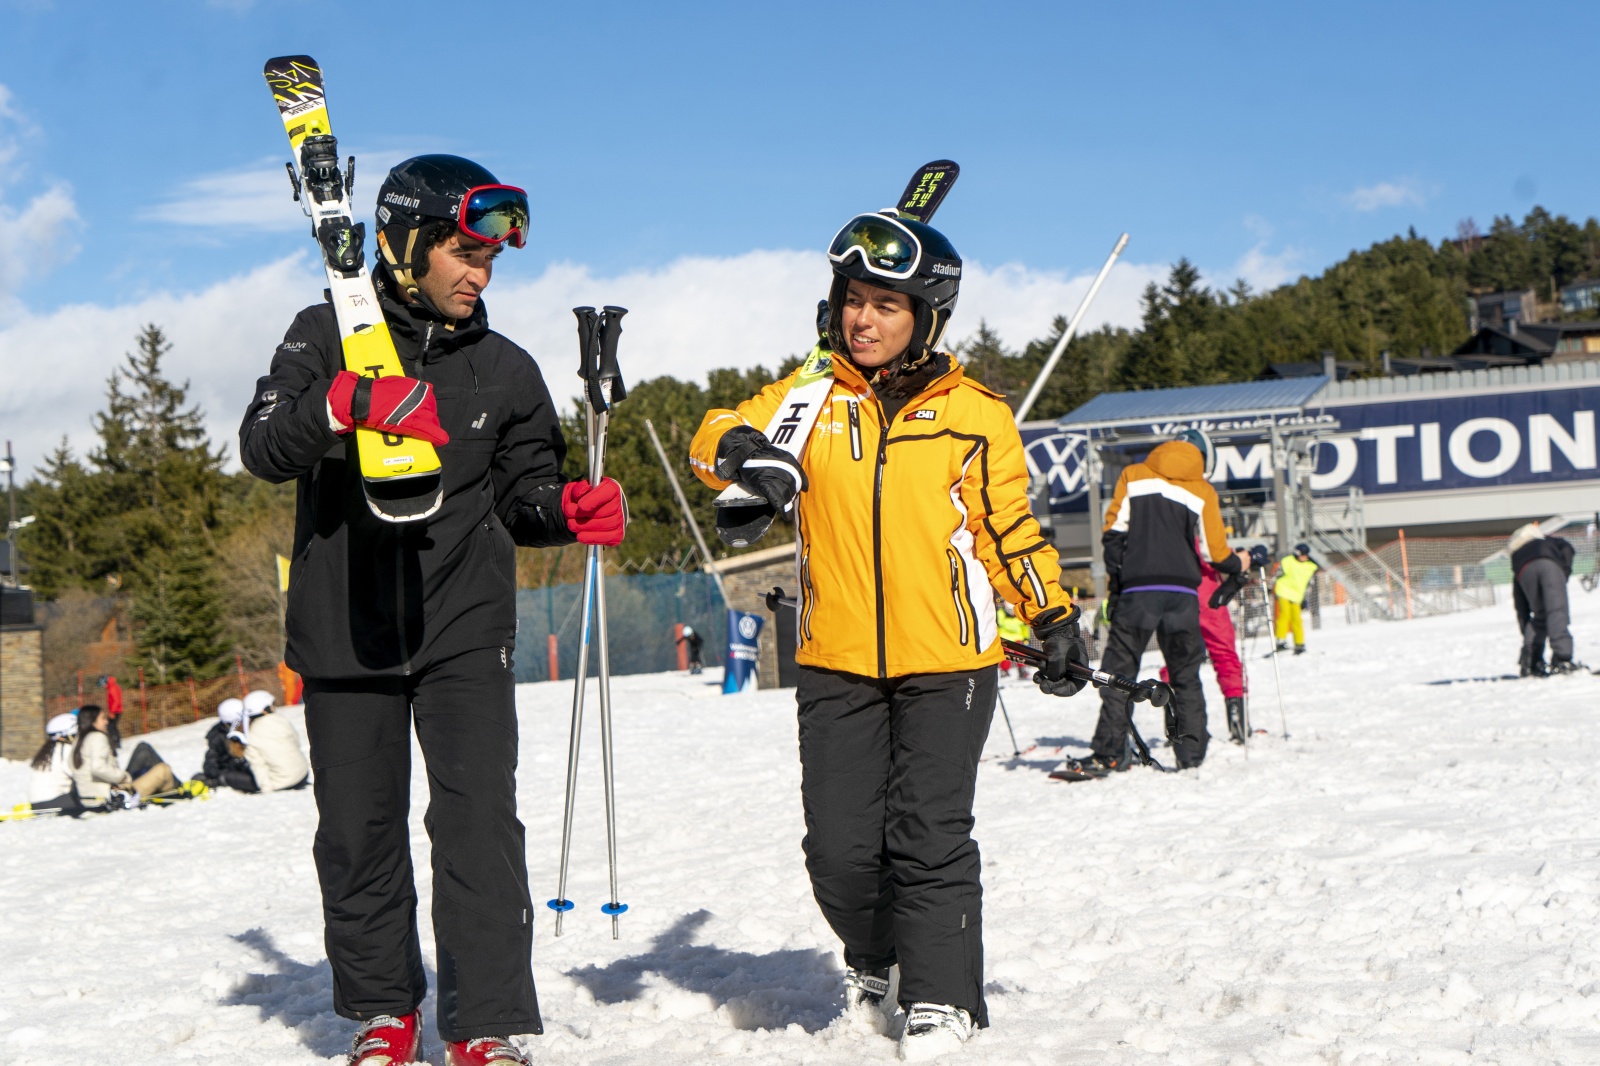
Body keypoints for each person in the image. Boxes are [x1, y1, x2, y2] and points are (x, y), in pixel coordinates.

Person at [238, 154, 626, 1066]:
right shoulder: (320, 334)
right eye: (461, 252)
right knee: (359, 830)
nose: (478, 275)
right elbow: (262, 444)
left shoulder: (507, 368)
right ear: (405, 243)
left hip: (462, 626)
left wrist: (564, 508)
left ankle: (482, 1023)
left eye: (489, 261)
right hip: (345, 627)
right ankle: (384, 1012)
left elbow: (523, 494)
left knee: (478, 825)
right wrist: (341, 402)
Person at [689, 201, 1086, 1061]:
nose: (862, 319)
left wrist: (1053, 615)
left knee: (928, 834)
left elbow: (1006, 529)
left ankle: (945, 996)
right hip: (833, 658)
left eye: (885, 305)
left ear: (925, 318)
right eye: (852, 300)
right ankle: (876, 959)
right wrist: (743, 451)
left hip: (950, 658)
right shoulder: (808, 398)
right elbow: (713, 427)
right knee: (837, 849)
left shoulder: (976, 414)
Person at [1066, 429, 1249, 778]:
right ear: (1203, 459)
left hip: (1138, 592)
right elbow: (1215, 553)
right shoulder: (1203, 489)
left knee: (1117, 675)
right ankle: (1190, 755)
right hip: (1183, 596)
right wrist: (1239, 564)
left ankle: (1110, 753)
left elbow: (1114, 533)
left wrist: (1122, 581)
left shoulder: (1133, 475)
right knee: (1186, 676)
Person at [1158, 555, 1248, 743]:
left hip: (1171, 587)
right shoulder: (1199, 524)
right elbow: (1214, 550)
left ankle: (1176, 724)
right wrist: (1239, 560)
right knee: (1224, 653)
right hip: (1205, 585)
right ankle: (1237, 723)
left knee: (1176, 658)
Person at [68, 704, 179, 808]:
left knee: (143, 748)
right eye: (103, 718)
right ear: (93, 721)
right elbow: (98, 768)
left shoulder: (78, 740)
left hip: (91, 797)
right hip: (111, 797)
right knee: (164, 769)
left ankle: (176, 787)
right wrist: (122, 777)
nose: (107, 722)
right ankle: (180, 791)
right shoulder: (97, 737)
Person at [1510, 523, 1582, 675]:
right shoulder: (1548, 541)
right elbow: (1568, 548)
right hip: (1550, 566)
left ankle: (1530, 660)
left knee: (1540, 614)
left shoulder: (1517, 554)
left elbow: (1521, 606)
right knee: (1556, 611)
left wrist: (1526, 635)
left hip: (1524, 572)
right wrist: (1564, 573)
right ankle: (1562, 658)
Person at [238, 689, 310, 791]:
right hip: (303, 774)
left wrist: (266, 789)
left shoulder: (251, 735)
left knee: (229, 776)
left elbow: (258, 765)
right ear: (264, 709)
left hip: (283, 784)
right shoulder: (281, 720)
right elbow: (295, 741)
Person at [27, 712, 85, 816]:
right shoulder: (66, 750)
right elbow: (81, 775)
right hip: (55, 802)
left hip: (36, 803)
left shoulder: (48, 751)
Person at [201, 698, 259, 792]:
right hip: (232, 772)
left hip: (250, 767)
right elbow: (210, 764)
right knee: (255, 781)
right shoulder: (218, 737)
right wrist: (221, 775)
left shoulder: (247, 729)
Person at [1273, 543, 1320, 655]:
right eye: (1301, 555)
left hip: (1297, 595)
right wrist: (1270, 587)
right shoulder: (1288, 561)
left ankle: (1299, 643)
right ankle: (1280, 640)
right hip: (1284, 591)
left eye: (1305, 555)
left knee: (1297, 619)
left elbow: (1309, 583)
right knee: (1285, 615)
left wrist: (1304, 598)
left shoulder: (1310, 566)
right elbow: (1277, 574)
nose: (1304, 557)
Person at [995, 600, 1031, 681]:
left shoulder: (1020, 614)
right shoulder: (1000, 613)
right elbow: (1000, 625)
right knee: (1006, 655)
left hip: (1018, 637)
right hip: (1005, 638)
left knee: (1021, 654)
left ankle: (1022, 670)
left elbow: (1024, 627)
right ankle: (1004, 671)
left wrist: (1026, 638)